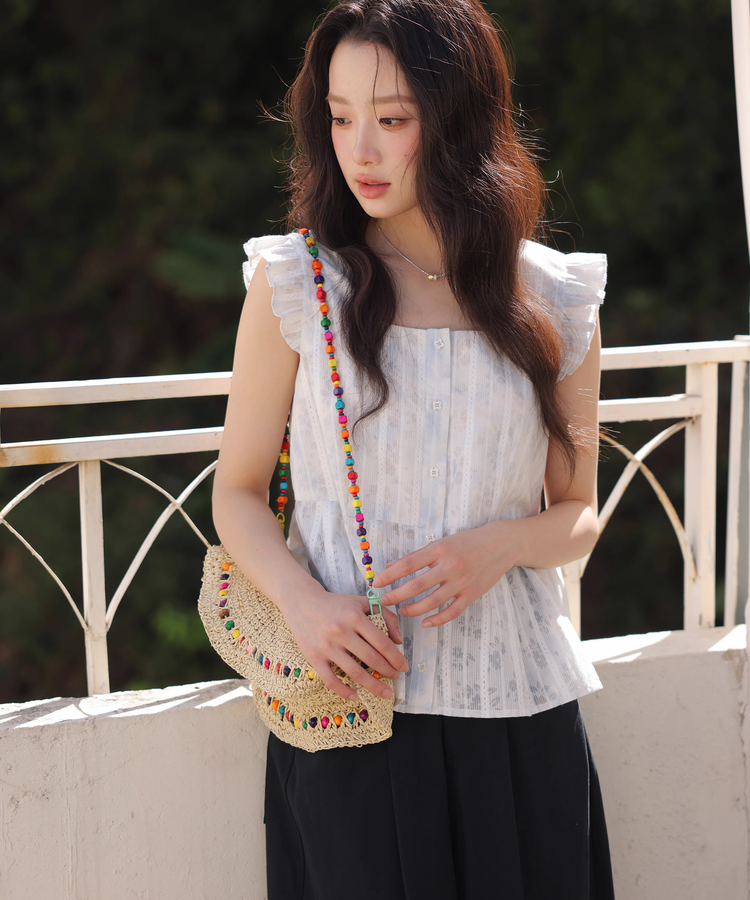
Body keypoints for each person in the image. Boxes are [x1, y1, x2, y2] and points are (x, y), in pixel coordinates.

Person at [212, 0, 616, 897]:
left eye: (392, 119)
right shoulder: (298, 284)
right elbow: (236, 490)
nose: (359, 150)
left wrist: (499, 545)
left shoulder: (553, 299)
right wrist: (306, 606)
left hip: (518, 708)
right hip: (353, 710)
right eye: (340, 117)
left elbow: (578, 512)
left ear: (459, 119)